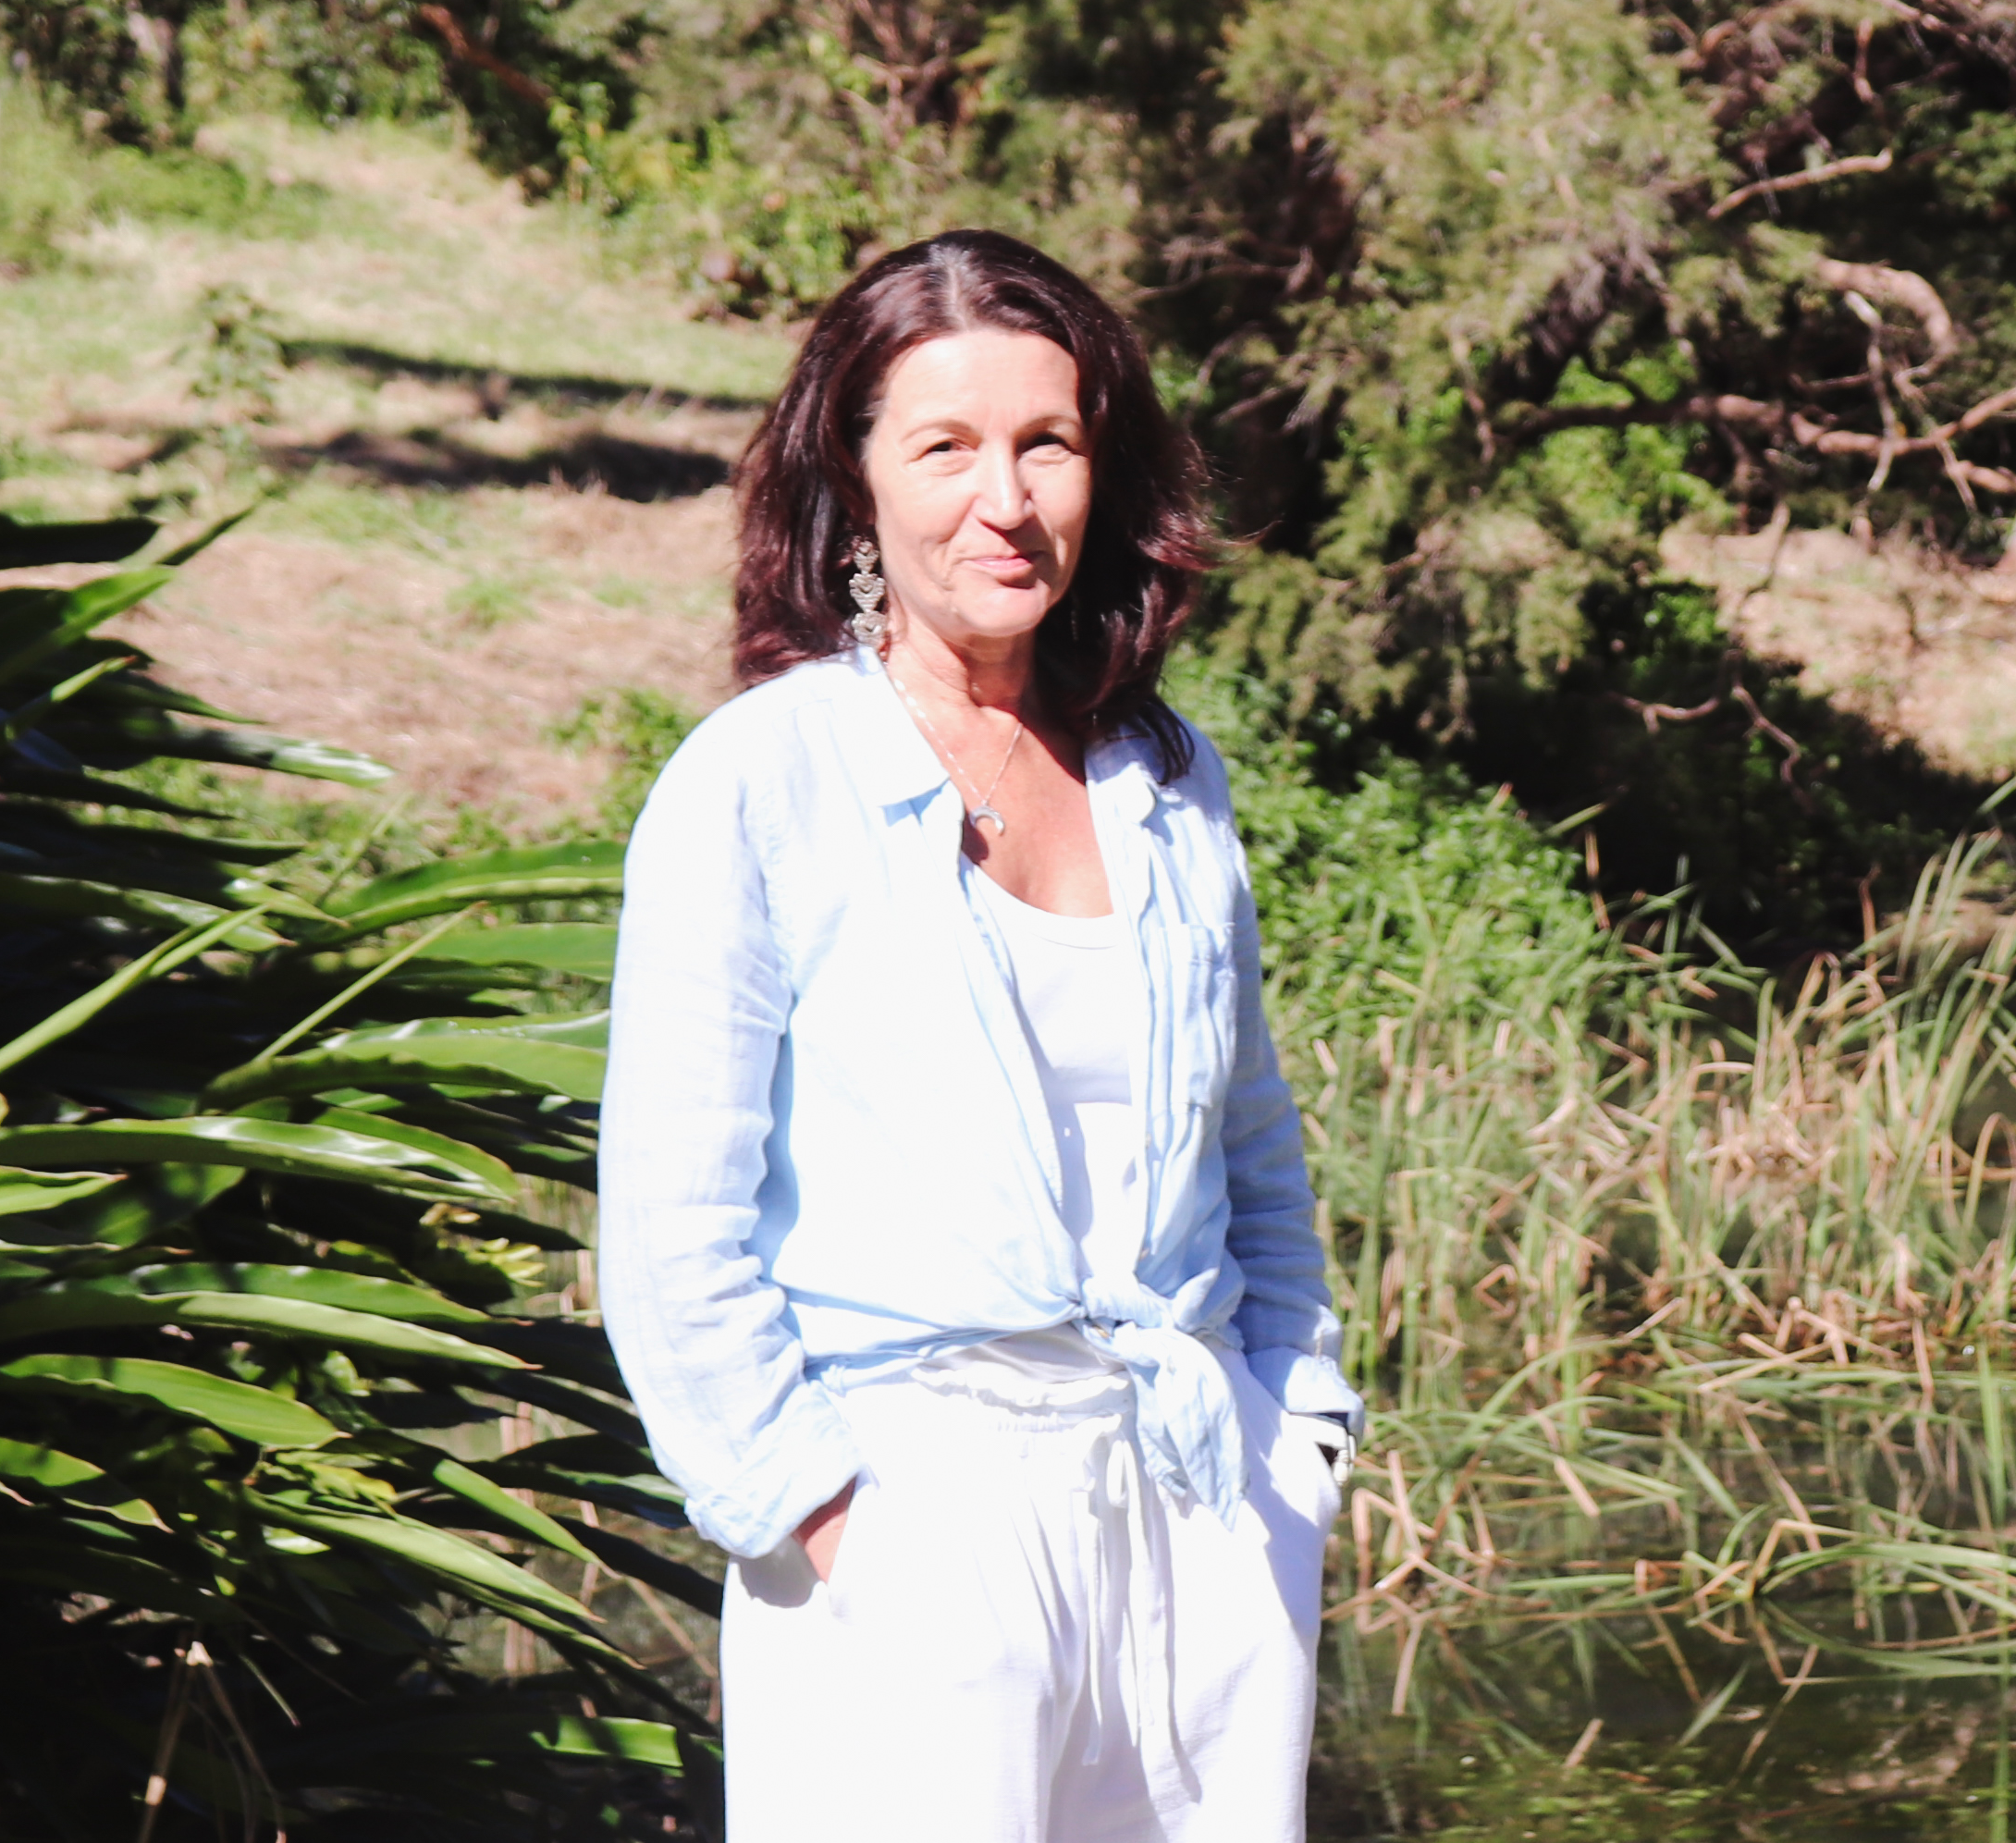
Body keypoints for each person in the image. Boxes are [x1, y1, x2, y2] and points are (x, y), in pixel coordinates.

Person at [598, 228, 1367, 1843]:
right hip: (910, 1521)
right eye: (943, 446)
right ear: (854, 482)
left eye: (1049, 443)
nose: (1002, 500)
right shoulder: (761, 781)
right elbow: (673, 1230)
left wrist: (1292, 1451)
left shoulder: (1167, 781)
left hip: (1199, 1505)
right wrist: (835, 1524)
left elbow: (1254, 1150)